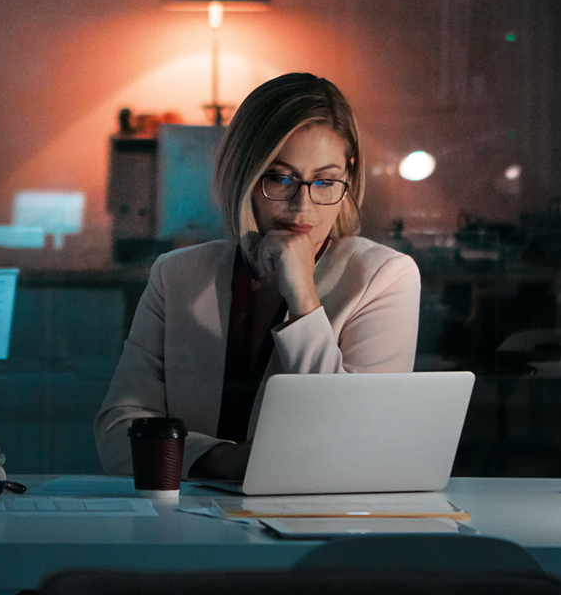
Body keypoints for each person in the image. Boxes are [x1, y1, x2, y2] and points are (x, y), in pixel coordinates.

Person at [93, 72, 421, 479]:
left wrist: (303, 298)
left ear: (348, 177)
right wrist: (222, 459)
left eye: (325, 181)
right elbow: (118, 433)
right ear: (244, 176)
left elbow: (355, 440)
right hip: (185, 519)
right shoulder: (176, 275)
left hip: (317, 519)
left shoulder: (384, 277)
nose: (303, 207)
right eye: (281, 179)